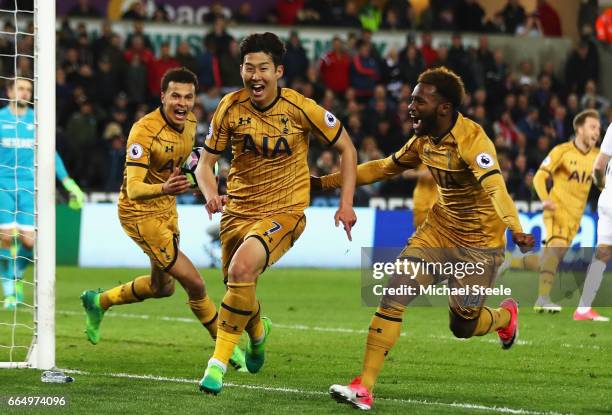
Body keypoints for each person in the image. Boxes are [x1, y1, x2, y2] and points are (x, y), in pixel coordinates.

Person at [313, 67, 534, 411]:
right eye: (411, 99)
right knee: (394, 292)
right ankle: (364, 386)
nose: (410, 106)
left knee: (462, 325)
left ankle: (505, 319)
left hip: (480, 244)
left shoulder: (473, 141)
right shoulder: (423, 141)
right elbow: (384, 167)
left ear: (444, 107)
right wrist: (325, 182)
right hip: (439, 230)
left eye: (419, 100)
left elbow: (495, 186)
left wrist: (515, 226)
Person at [195, 32, 357, 394]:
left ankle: (217, 364)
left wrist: (346, 204)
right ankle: (257, 331)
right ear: (241, 70)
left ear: (279, 70)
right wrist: (210, 193)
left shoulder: (301, 109)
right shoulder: (229, 107)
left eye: (263, 68)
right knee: (237, 285)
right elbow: (206, 164)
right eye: (249, 68)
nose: (256, 75)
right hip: (237, 212)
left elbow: (347, 147)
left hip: (285, 211)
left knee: (241, 269)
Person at [79, 68, 245, 370]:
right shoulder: (143, 131)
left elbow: (191, 165)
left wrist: (206, 192)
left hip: (166, 206)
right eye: (175, 96)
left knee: (162, 288)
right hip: (139, 213)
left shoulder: (192, 122)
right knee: (195, 283)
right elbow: (134, 187)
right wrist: (165, 187)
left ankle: (98, 301)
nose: (182, 103)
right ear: (163, 97)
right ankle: (225, 347)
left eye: (188, 97)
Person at [0, 78, 84, 310]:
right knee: (5, 237)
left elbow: (51, 153)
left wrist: (68, 182)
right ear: (9, 91)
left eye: (28, 89)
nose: (25, 92)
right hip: (3, 185)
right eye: (21, 88)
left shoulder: (37, 120)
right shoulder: (0, 119)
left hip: (29, 187)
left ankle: (16, 275)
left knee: (29, 241)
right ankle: (10, 292)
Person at [531, 109, 600, 313]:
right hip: (556, 210)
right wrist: (545, 200)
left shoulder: (597, 158)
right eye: (592, 127)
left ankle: (513, 261)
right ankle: (542, 299)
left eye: (598, 128)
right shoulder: (562, 151)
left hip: (575, 216)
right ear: (580, 129)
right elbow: (539, 177)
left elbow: (604, 184)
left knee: (554, 257)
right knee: (557, 249)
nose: (597, 132)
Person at [573, 122, 611, 321]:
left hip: (607, 200)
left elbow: (599, 166)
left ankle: (583, 308)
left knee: (603, 252)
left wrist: (603, 187)